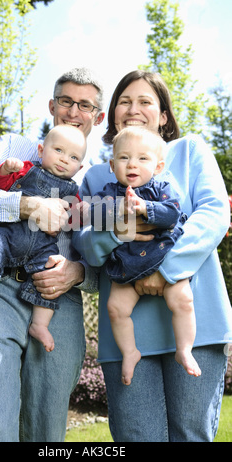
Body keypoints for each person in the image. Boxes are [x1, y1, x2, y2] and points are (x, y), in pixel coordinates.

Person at [73, 70, 232, 442]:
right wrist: (117, 232)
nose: (133, 109)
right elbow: (85, 241)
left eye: (145, 101)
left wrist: (166, 272)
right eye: (124, 102)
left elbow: (213, 214)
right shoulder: (99, 175)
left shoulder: (189, 151)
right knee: (135, 435)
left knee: (191, 434)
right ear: (112, 115)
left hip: (197, 318)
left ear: (163, 115)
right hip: (126, 329)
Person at [0, 67, 105, 442]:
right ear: (52, 105)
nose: (74, 111)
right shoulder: (13, 149)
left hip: (58, 303)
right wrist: (26, 205)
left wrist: (77, 273)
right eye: (67, 101)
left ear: (98, 117)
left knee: (46, 428)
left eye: (84, 105)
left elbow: (113, 254)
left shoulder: (100, 178)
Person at [0, 125, 87, 353]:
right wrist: (5, 171)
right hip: (9, 234)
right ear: (41, 150)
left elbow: (72, 223)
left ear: (80, 166)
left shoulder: (73, 191)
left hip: (43, 245)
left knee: (47, 281)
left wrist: (82, 213)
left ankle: (40, 324)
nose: (64, 160)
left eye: (73, 157)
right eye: (58, 150)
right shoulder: (26, 169)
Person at [88, 126, 200, 385]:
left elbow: (172, 214)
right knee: (115, 309)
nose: (132, 164)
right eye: (124, 158)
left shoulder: (161, 188)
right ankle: (130, 352)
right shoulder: (109, 191)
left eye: (142, 158)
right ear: (112, 164)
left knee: (183, 300)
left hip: (162, 260)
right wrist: (118, 210)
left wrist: (145, 207)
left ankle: (184, 349)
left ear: (158, 166)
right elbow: (94, 218)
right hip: (127, 266)